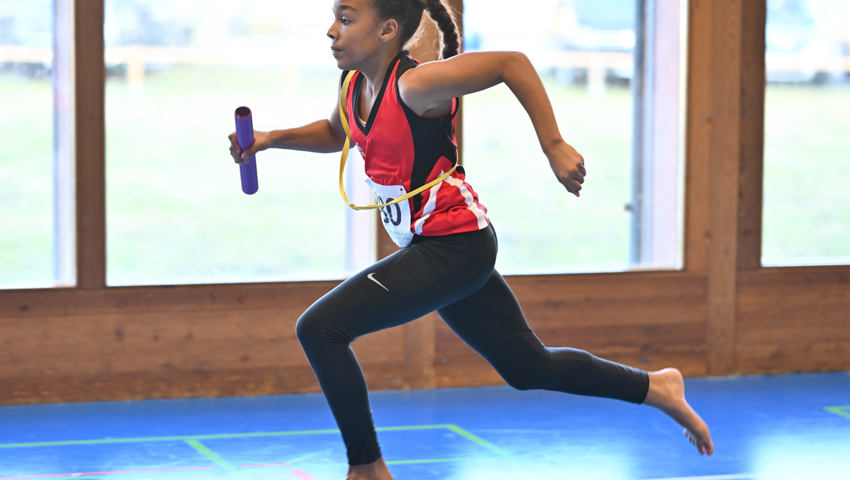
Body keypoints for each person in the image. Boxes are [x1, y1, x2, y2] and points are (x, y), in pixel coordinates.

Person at [228, 1, 714, 478]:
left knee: (320, 328)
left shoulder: (416, 85)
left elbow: (511, 64)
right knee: (529, 369)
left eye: (346, 18)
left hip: (456, 249)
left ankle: (367, 467)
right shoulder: (354, 84)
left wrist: (553, 145)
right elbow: (336, 133)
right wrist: (270, 139)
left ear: (387, 30)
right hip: (436, 248)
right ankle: (657, 387)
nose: (332, 30)